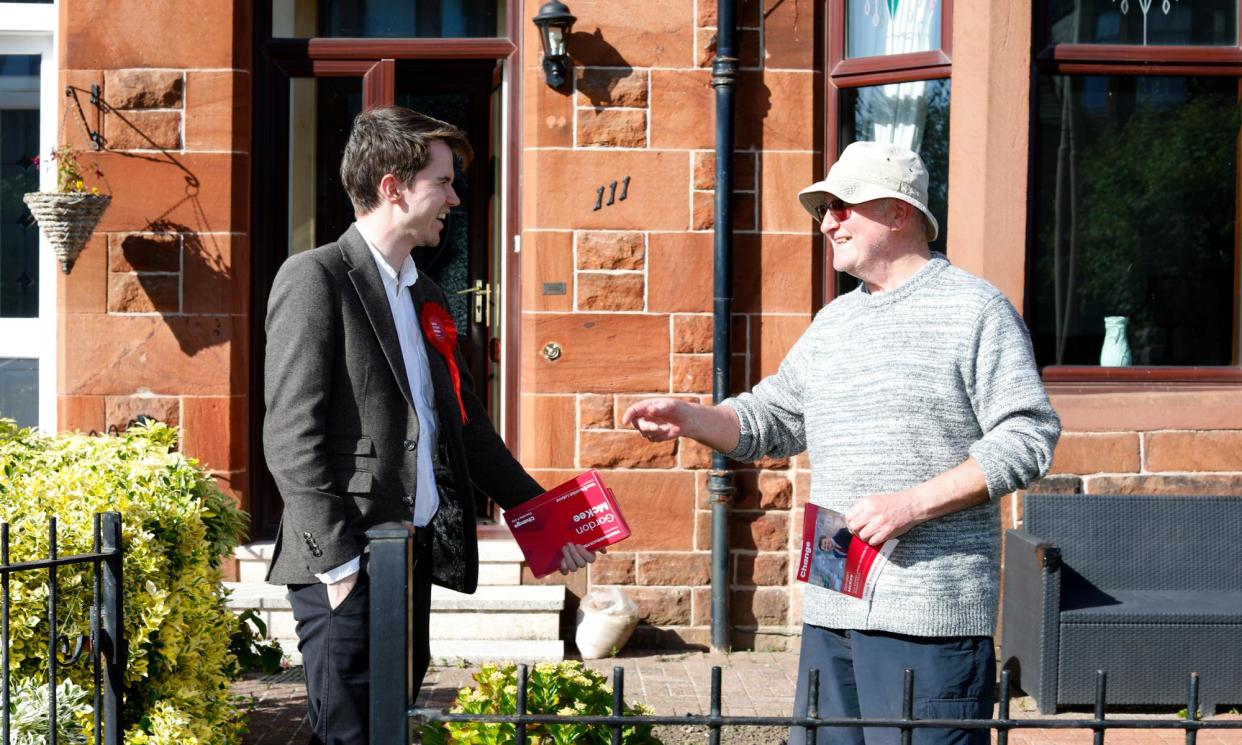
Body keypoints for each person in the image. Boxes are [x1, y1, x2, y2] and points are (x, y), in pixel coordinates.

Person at [622, 141, 1061, 745]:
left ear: (900, 212)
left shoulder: (975, 309)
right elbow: (772, 417)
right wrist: (692, 417)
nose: (827, 221)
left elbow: (1029, 435)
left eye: (843, 205)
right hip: (833, 605)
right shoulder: (834, 322)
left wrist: (913, 504)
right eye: (825, 208)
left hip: (925, 616)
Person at [262, 105, 598, 745]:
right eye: (442, 181)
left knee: (390, 730)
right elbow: (290, 437)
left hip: (409, 555)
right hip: (348, 558)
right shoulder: (316, 278)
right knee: (349, 734)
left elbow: (464, 430)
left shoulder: (426, 294)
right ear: (393, 187)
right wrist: (340, 569)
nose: (453, 196)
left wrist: (546, 518)